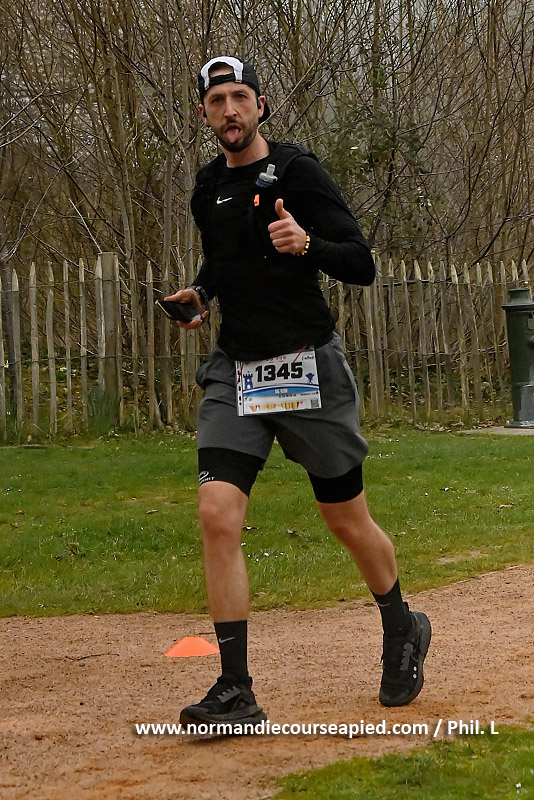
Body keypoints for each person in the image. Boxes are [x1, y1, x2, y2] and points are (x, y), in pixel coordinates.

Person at [165, 55, 431, 730]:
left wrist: (307, 243)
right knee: (217, 514)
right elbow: (225, 260)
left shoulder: (298, 172)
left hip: (306, 365)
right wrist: (201, 294)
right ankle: (236, 689)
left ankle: (401, 624)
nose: (229, 109)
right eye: (217, 100)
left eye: (240, 97)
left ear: (261, 106)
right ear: (204, 113)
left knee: (345, 519)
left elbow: (361, 263)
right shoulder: (208, 187)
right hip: (237, 370)